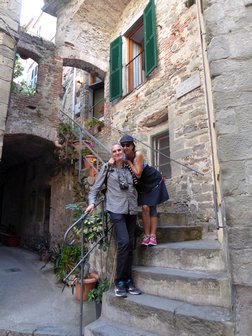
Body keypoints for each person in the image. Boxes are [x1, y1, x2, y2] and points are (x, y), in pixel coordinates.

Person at [85, 143, 141, 298]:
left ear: (123, 152)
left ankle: (129, 280)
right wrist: (91, 203)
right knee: (123, 243)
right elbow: (95, 188)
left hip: (131, 209)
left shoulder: (129, 167)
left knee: (130, 245)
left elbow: (137, 182)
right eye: (114, 151)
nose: (117, 153)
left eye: (119, 150)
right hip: (116, 209)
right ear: (111, 153)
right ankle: (120, 282)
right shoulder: (107, 168)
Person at [119, 134, 169, 246]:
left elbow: (138, 174)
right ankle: (146, 236)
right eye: (123, 145)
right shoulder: (123, 157)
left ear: (132, 146)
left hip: (152, 181)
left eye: (128, 145)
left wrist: (129, 162)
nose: (125, 147)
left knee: (152, 208)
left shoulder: (138, 155)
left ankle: (153, 236)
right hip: (142, 186)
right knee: (145, 208)